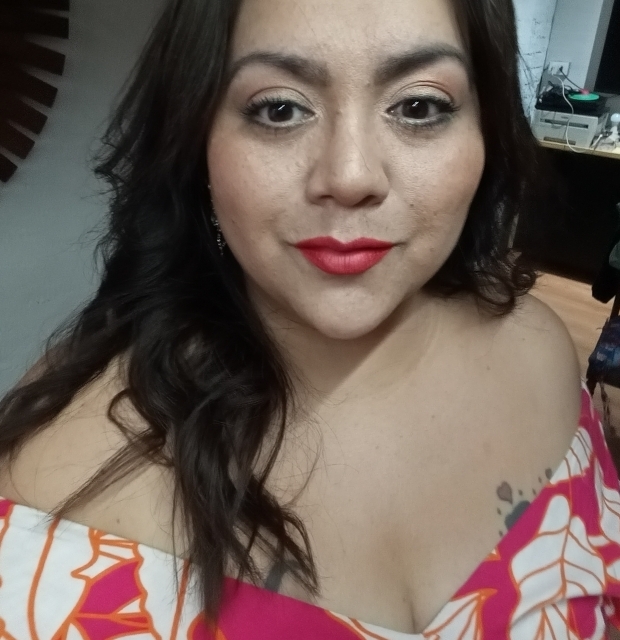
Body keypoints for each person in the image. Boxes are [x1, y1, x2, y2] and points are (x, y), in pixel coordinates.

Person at [1, 0, 620, 637]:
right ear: (196, 143)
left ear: (486, 130)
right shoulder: (47, 519)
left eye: (418, 106)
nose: (349, 177)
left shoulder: (538, 350)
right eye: (279, 109)